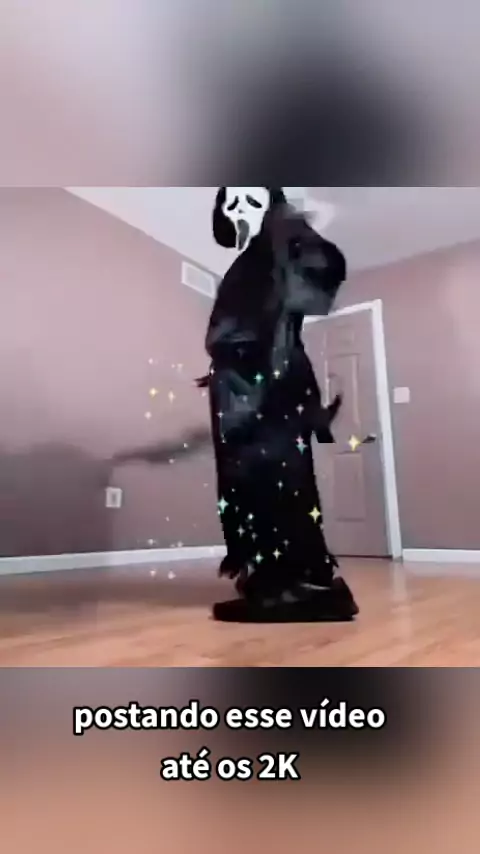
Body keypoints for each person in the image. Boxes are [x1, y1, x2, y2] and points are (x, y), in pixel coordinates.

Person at [198, 187, 359, 623]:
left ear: (273, 207)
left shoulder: (278, 248)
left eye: (252, 200)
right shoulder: (252, 259)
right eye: (231, 202)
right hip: (244, 387)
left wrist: (289, 224)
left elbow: (321, 268)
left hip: (264, 389)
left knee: (270, 477)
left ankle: (290, 587)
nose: (239, 209)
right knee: (257, 481)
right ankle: (290, 581)